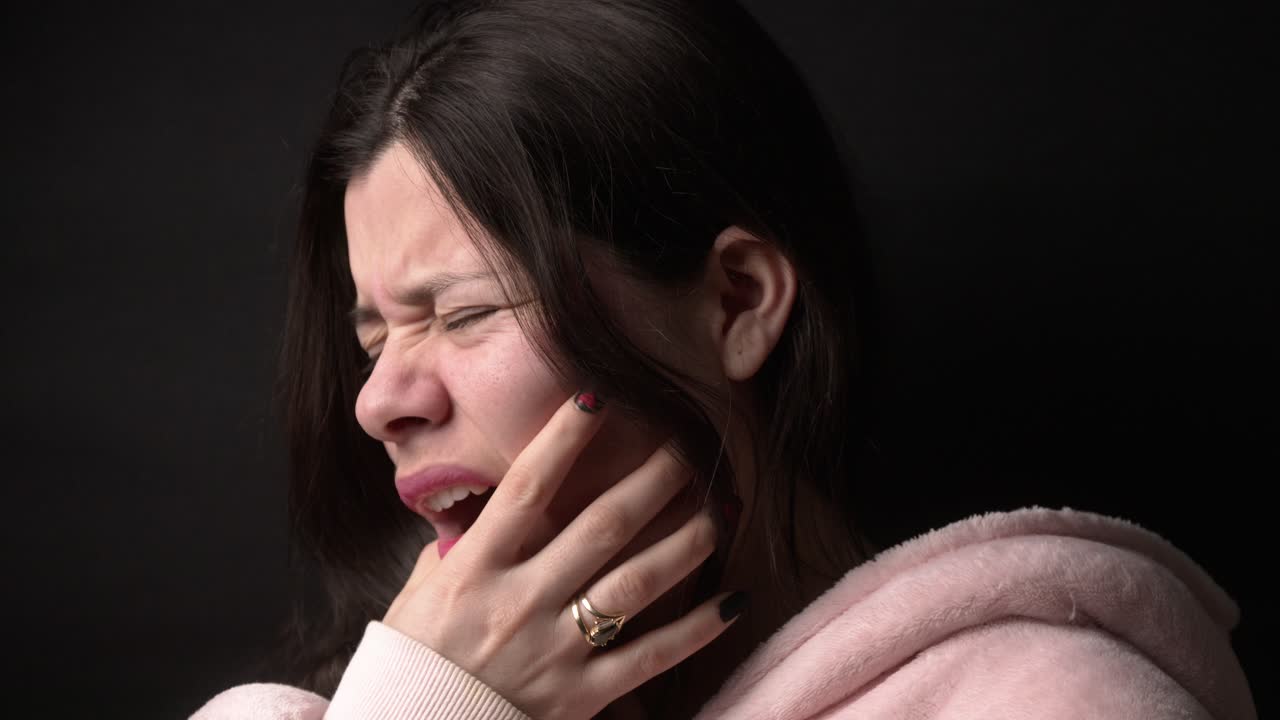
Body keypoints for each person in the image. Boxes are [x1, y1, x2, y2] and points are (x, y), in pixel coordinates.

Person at [191, 0, 1256, 717]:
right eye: (372, 339)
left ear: (737, 302)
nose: (378, 401)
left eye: (464, 312)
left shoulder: (1044, 700)